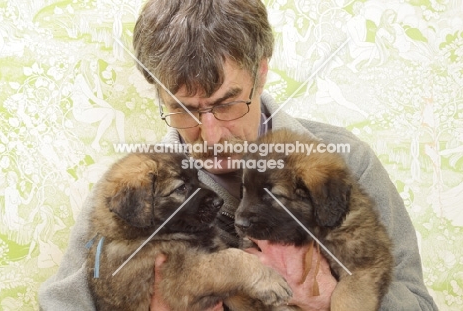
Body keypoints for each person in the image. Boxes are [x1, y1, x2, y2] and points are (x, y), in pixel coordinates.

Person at [39, 0, 438, 310]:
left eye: (227, 104)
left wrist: (328, 299)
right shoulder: (128, 194)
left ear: (261, 72)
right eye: (183, 108)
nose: (211, 136)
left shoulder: (347, 161)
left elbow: (419, 304)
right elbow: (62, 303)